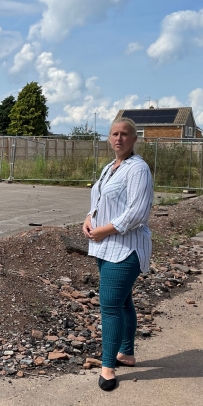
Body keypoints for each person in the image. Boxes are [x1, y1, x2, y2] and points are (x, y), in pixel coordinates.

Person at [83, 118, 154, 391]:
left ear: (135, 139)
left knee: (110, 307)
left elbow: (137, 213)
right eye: (114, 134)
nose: (119, 138)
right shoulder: (109, 168)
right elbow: (99, 200)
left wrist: (104, 231)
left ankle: (108, 368)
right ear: (108, 138)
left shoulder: (138, 169)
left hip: (126, 248)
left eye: (125, 134)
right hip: (105, 246)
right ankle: (126, 353)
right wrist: (88, 219)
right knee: (123, 302)